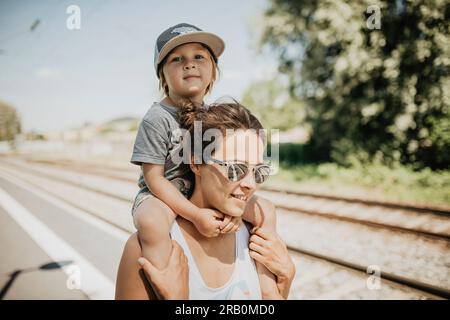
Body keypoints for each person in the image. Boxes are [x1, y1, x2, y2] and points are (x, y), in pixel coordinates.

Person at [128, 23, 280, 297]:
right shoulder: (156, 118)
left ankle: (267, 283)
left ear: (213, 72)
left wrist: (232, 211)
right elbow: (153, 178)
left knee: (265, 210)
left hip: (203, 190)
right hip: (161, 194)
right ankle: (167, 284)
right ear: (162, 74)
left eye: (200, 57)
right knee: (151, 221)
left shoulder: (215, 117)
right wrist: (195, 214)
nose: (190, 65)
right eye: (177, 59)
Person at [116, 102, 296, 299]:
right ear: (196, 164)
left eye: (259, 171)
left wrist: (285, 283)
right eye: (236, 168)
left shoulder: (258, 238)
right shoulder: (143, 249)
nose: (251, 184)